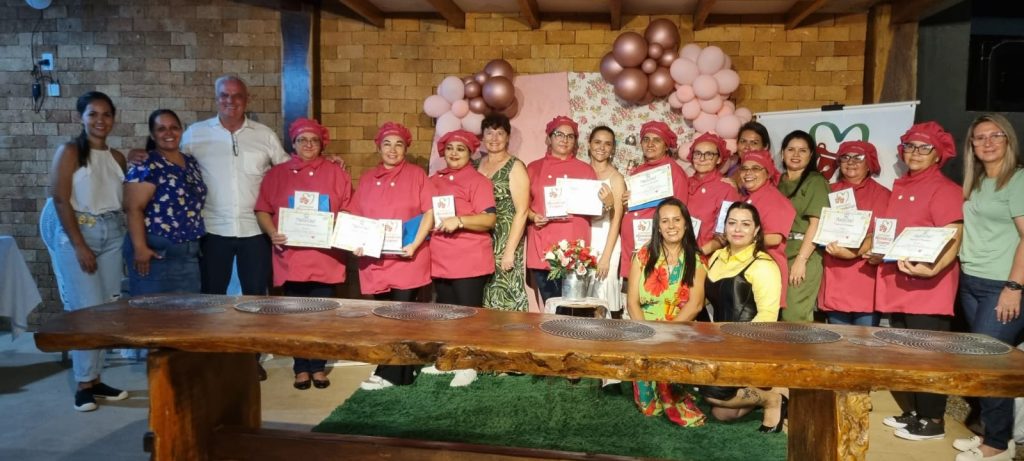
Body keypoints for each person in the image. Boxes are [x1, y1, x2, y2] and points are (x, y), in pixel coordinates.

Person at [180, 75, 289, 381]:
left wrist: (325, 164)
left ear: (247, 99)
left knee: (255, 298)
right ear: (216, 98)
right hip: (213, 228)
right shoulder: (196, 134)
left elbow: (287, 171)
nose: (231, 101)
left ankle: (250, 358)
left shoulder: (264, 135)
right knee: (212, 297)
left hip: (255, 230)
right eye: (224, 96)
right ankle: (214, 356)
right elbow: (174, 164)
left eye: (237, 96)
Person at [872, 122, 963, 442]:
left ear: (938, 154)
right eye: (910, 147)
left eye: (924, 148)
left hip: (927, 286)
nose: (915, 153)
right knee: (905, 352)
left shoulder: (945, 188)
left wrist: (935, 268)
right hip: (898, 283)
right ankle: (914, 411)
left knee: (928, 354)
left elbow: (954, 234)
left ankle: (933, 419)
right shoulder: (902, 186)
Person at [39, 91, 129, 412]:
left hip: (112, 232)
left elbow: (121, 195)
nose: (100, 120)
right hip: (80, 230)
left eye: (106, 114)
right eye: (93, 114)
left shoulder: (116, 157)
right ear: (82, 117)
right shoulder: (70, 152)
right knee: (85, 309)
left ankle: (96, 378)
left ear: (113, 118)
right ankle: (82, 384)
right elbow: (61, 199)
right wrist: (79, 244)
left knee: (105, 308)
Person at [254, 118, 352, 391]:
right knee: (295, 316)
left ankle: (318, 366)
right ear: (293, 143)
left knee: (323, 315)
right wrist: (272, 231)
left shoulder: (337, 173)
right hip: (292, 258)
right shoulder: (277, 174)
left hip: (326, 257)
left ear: (322, 144)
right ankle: (301, 367)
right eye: (302, 140)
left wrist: (341, 227)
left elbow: (347, 209)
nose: (308, 144)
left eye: (314, 140)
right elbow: (262, 209)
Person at [953, 114, 1024, 461]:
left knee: (990, 362)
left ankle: (997, 444)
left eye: (996, 135)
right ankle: (993, 434)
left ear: (1008, 140)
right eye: (980, 137)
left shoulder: (1019, 180)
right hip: (972, 281)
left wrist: (1014, 286)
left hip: (1002, 285)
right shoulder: (978, 182)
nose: (988, 142)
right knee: (979, 359)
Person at [349, 122, 434, 391]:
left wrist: (415, 244)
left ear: (406, 148)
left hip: (407, 257)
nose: (393, 149)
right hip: (376, 260)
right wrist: (355, 242)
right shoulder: (366, 178)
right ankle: (397, 369)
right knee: (385, 316)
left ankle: (392, 374)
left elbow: (429, 213)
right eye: (387, 144)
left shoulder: (417, 175)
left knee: (403, 315)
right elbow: (355, 215)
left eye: (399, 144)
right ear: (378, 147)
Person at [703, 202, 787, 432]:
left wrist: (734, 345)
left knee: (715, 395)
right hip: (719, 344)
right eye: (732, 223)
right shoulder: (717, 256)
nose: (737, 229)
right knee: (722, 412)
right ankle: (759, 392)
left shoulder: (764, 266)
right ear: (725, 227)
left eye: (745, 224)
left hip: (751, 346)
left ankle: (773, 399)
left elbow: (768, 318)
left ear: (756, 230)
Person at [424, 129, 497, 387]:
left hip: (469, 260)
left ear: (470, 153)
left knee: (468, 316)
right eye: (450, 148)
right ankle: (448, 361)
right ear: (443, 151)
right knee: (445, 312)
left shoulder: (478, 181)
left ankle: (468, 364)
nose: (454, 153)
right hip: (440, 258)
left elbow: (489, 219)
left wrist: (461, 220)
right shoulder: (433, 180)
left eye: (461, 149)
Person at [625, 198, 706, 427]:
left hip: (679, 330)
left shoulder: (696, 258)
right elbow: (632, 302)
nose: (671, 226)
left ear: (686, 224)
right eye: (665, 221)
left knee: (672, 397)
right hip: (644, 330)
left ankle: (678, 395)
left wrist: (666, 336)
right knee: (649, 409)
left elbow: (695, 305)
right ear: (657, 226)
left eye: (677, 220)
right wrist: (647, 335)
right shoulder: (643, 255)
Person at [123, 109, 206, 297]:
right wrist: (140, 248)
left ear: (181, 130)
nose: (169, 133)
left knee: (188, 316)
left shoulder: (190, 162)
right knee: (153, 316)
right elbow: (132, 207)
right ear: (153, 135)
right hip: (155, 254)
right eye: (161, 129)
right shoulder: (146, 163)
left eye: (174, 127)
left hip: (187, 255)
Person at [525, 116, 598, 302]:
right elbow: (522, 206)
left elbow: (593, 207)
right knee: (552, 307)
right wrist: (534, 216)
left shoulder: (586, 170)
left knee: (574, 309)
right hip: (543, 245)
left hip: (575, 251)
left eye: (570, 136)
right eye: (559, 134)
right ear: (548, 138)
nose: (564, 140)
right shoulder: (533, 168)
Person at [818, 141, 891, 326]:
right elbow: (818, 228)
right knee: (837, 343)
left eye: (858, 157)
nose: (851, 162)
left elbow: (882, 233)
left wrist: (852, 252)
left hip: (865, 276)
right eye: (845, 157)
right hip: (835, 272)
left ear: (870, 164)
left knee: (865, 343)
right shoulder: (827, 191)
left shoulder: (883, 194)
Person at [619, 121, 690, 281]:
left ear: (666, 146)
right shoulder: (639, 170)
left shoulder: (674, 172)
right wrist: (626, 201)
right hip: (632, 247)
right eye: (646, 139)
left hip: (655, 251)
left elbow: (679, 214)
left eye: (656, 140)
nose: (650, 144)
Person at [477, 114, 530, 311]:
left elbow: (522, 211)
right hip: (479, 236)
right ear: (482, 137)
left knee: (505, 289)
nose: (494, 138)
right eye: (489, 133)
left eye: (500, 133)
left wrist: (509, 251)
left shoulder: (514, 166)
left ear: (508, 137)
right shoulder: (475, 165)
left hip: (505, 237)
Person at [777, 130, 829, 322]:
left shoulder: (815, 182)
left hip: (802, 253)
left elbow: (816, 224)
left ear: (811, 155)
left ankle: (798, 352)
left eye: (802, 150)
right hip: (777, 253)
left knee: (794, 316)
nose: (796, 155)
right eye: (790, 149)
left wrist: (801, 260)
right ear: (782, 153)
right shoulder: (776, 181)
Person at [738, 150, 795, 309]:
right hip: (746, 271)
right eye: (744, 168)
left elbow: (774, 238)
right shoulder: (746, 197)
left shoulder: (774, 199)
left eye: (756, 168)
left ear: (768, 173)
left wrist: (737, 237)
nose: (748, 173)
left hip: (766, 272)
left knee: (762, 330)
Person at [588, 126, 626, 317]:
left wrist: (605, 257)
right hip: (584, 241)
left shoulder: (616, 178)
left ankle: (604, 342)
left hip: (606, 240)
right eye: (597, 142)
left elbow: (617, 220)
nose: (602, 148)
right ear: (589, 144)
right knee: (582, 299)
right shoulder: (580, 172)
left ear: (612, 149)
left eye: (607, 144)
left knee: (602, 299)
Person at [685, 132, 742, 259]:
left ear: (719, 159)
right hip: (676, 255)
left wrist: (698, 253)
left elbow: (724, 234)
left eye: (709, 154)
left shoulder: (726, 189)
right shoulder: (684, 183)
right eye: (697, 153)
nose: (702, 158)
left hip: (704, 258)